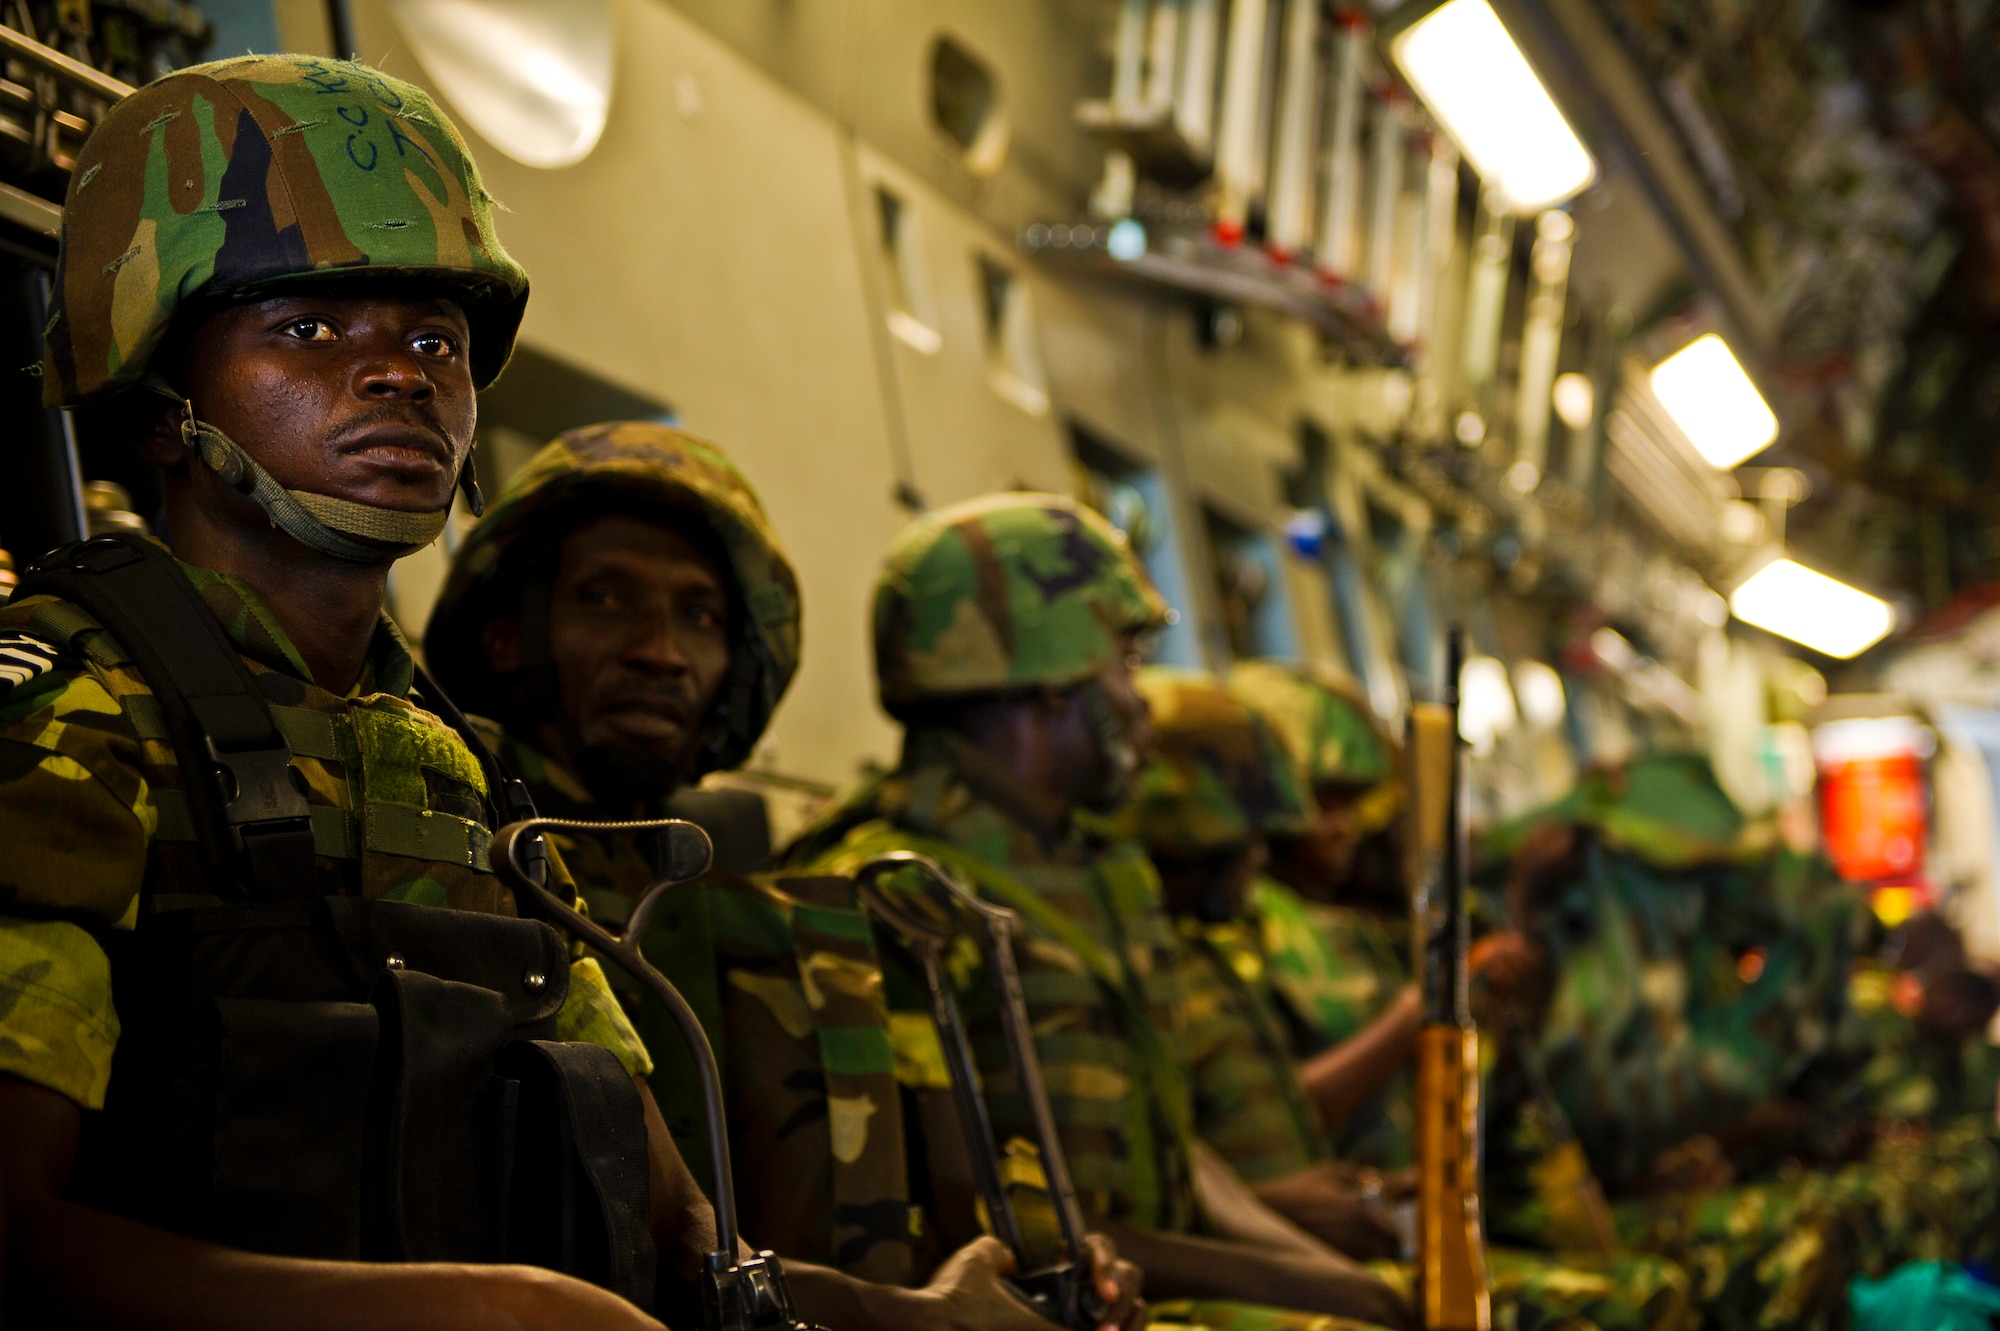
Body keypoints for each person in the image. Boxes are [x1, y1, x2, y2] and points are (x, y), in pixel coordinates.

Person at [0, 56, 711, 1329]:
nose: (402, 375)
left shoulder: (463, 772)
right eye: (308, 329)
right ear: (163, 405)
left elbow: (677, 1233)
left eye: (433, 338)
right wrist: (494, 1310)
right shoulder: (74, 711)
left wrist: (928, 1312)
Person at [424, 422, 1146, 1331]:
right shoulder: (466, 851)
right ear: (505, 637)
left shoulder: (736, 891)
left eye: (701, 616)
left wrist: (1052, 1256)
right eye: (605, 599)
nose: (661, 650)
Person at [782, 491, 1416, 1331]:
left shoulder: (1094, 874)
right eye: (1123, 665)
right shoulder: (894, 890)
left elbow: (1173, 1148)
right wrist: (1331, 1292)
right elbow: (980, 1227)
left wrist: (1337, 1276)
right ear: (1051, 682)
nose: (1139, 701)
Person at [1127, 667, 1694, 1331]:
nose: (1338, 828)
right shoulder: (1203, 955)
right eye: (1321, 802)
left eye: (1349, 804)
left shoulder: (1232, 950)